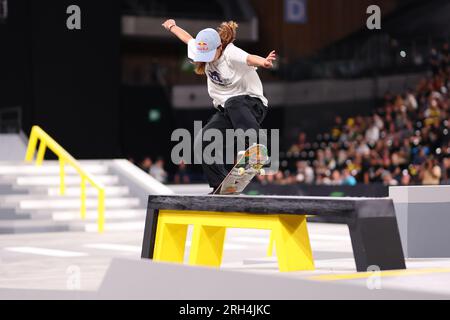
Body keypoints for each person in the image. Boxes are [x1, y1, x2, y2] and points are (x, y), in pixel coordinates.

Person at [162, 19, 276, 193]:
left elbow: (249, 58)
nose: (206, 60)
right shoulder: (199, 47)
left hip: (252, 105)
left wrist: (264, 62)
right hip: (229, 112)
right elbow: (186, 38)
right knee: (203, 141)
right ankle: (221, 186)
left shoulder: (230, 52)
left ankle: (256, 144)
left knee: (233, 102)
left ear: (219, 47)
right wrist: (172, 26)